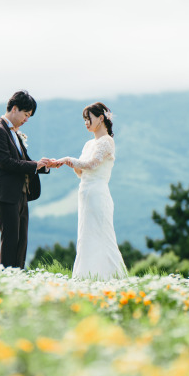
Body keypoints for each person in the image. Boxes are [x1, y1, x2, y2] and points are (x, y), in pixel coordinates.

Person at [51, 102, 128, 280]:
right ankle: (87, 277)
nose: (86, 123)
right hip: (84, 193)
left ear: (101, 119)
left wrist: (67, 159)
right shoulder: (88, 144)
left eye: (89, 119)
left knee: (102, 235)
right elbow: (81, 172)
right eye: (84, 120)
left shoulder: (107, 142)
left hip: (98, 193)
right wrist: (72, 164)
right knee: (86, 237)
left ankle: (111, 277)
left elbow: (92, 164)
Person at [0, 90, 52, 269]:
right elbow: (6, 163)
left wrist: (44, 165)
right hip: (6, 195)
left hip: (21, 195)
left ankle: (18, 277)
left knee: (21, 241)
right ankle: (6, 279)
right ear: (14, 109)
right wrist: (35, 165)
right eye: (26, 114)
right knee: (10, 241)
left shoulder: (15, 133)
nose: (26, 120)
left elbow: (23, 160)